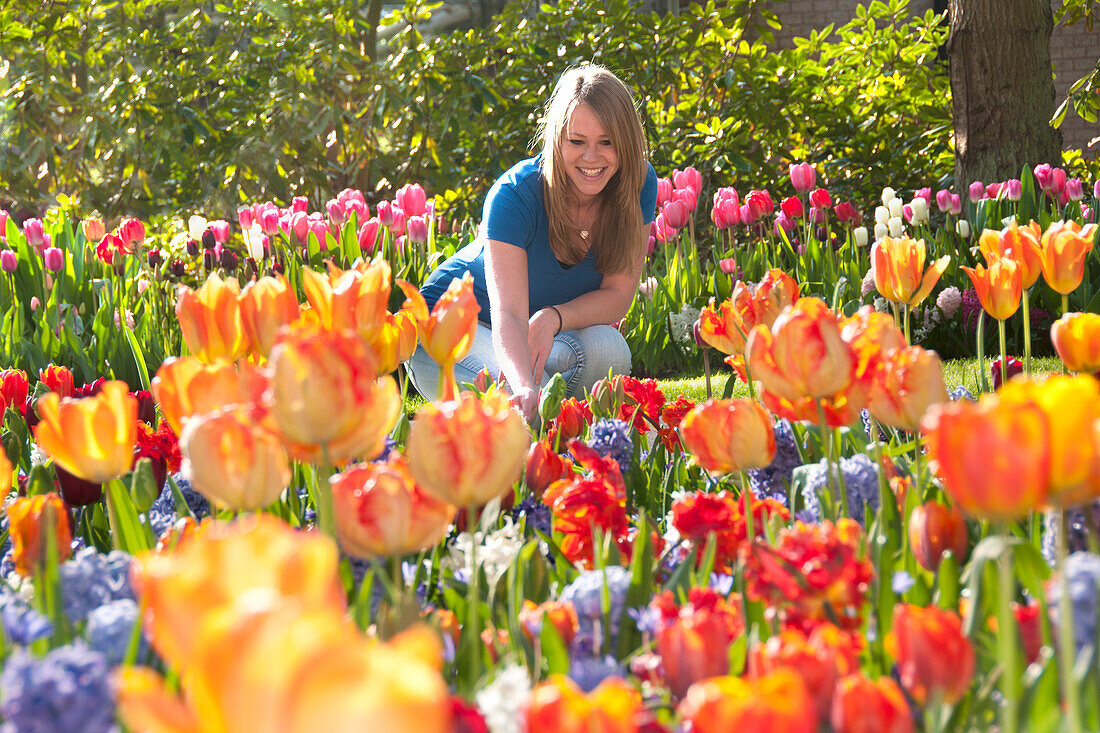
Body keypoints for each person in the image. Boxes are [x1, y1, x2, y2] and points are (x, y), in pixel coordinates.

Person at [407, 64, 658, 421]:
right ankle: (532, 426)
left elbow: (618, 296)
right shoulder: (514, 195)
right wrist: (523, 384)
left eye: (607, 142)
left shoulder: (638, 184)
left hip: (538, 332)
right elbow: (508, 312)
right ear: (557, 139)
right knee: (513, 401)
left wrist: (553, 317)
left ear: (627, 144)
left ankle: (543, 421)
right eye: (577, 141)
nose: (592, 157)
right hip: (453, 330)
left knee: (610, 350)